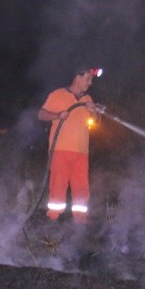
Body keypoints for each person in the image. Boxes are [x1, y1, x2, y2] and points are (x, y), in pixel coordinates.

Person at [38, 68, 102, 224]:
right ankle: (52, 221)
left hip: (81, 152)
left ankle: (80, 223)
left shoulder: (87, 99)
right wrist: (58, 115)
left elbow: (97, 120)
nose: (90, 83)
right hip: (60, 149)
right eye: (88, 78)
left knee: (81, 188)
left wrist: (93, 112)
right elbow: (41, 114)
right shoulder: (57, 95)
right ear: (77, 77)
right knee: (58, 185)